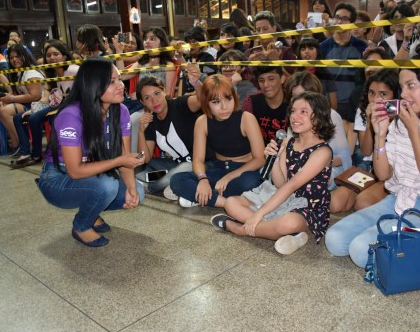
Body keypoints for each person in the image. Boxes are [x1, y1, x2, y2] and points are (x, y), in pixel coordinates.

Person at [325, 46, 420, 268]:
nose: (404, 95)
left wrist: (415, 132)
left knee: (360, 251)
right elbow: (384, 174)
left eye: (411, 86)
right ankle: (419, 245)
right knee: (335, 240)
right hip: (397, 199)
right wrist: (379, 136)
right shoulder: (401, 122)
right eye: (402, 87)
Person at [37, 57, 145, 248]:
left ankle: (92, 212)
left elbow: (125, 158)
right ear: (93, 85)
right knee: (106, 187)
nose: (121, 85)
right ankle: (81, 226)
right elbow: (75, 171)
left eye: (119, 79)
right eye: (111, 82)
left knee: (138, 193)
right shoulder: (71, 115)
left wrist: (131, 189)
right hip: (57, 178)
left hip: (95, 172)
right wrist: (118, 160)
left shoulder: (121, 111)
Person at [212, 92, 334, 255]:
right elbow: (280, 183)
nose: (295, 116)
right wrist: (275, 158)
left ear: (319, 116)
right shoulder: (289, 142)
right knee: (231, 203)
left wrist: (259, 214)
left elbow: (292, 185)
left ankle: (241, 229)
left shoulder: (323, 151)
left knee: (288, 223)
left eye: (303, 112)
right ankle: (276, 230)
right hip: (281, 195)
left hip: (307, 205)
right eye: (293, 111)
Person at [169, 74, 265, 208]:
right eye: (216, 102)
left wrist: (230, 176)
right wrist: (202, 179)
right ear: (206, 103)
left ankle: (203, 197)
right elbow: (197, 160)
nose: (224, 107)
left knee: (250, 183)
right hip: (218, 168)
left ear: (235, 97)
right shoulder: (202, 121)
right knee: (177, 180)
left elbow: (260, 159)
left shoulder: (246, 118)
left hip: (244, 171)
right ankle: (226, 203)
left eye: (228, 99)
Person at [331, 69, 400, 213]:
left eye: (383, 94)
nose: (376, 99)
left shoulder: (403, 115)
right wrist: (369, 121)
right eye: (371, 92)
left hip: (394, 171)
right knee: (335, 203)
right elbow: (366, 150)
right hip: (368, 167)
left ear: (395, 95)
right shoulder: (363, 111)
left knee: (363, 204)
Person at [135, 64, 202, 197]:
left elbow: (202, 100)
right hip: (175, 165)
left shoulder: (180, 104)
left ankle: (151, 187)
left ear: (164, 91)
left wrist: (196, 82)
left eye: (157, 93)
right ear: (143, 102)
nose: (154, 100)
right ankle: (175, 185)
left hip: (200, 163)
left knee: (181, 170)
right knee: (141, 170)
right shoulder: (151, 121)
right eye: (147, 98)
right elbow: (145, 158)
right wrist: (141, 132)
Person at [11, 40, 79, 168]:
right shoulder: (52, 74)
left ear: (64, 56)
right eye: (49, 55)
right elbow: (51, 98)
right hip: (60, 105)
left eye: (56, 54)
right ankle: (33, 154)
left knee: (50, 117)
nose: (52, 58)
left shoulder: (73, 69)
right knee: (30, 117)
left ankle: (57, 153)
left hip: (74, 106)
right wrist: (34, 109)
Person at [284, 71, 351, 192]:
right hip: (297, 169)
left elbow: (345, 157)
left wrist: (316, 162)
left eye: (305, 95)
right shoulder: (293, 118)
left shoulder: (332, 116)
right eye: (294, 96)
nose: (300, 100)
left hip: (328, 169)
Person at [319, 3, 368, 123]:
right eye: (337, 17)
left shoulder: (361, 46)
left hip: (354, 102)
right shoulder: (323, 47)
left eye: (345, 19)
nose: (339, 21)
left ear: (352, 23)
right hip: (328, 103)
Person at [0, 44, 44, 156]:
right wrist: (3, 100)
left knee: (4, 111)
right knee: (2, 109)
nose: (14, 60)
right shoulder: (19, 72)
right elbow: (17, 94)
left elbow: (35, 96)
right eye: (11, 58)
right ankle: (18, 143)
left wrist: (11, 98)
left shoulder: (31, 72)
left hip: (38, 105)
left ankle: (20, 143)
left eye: (17, 56)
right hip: (28, 104)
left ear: (24, 56)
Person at [242, 66, 289, 144]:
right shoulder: (251, 102)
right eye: (261, 80)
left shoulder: (294, 102)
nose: (266, 85)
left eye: (271, 79)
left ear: (282, 79)